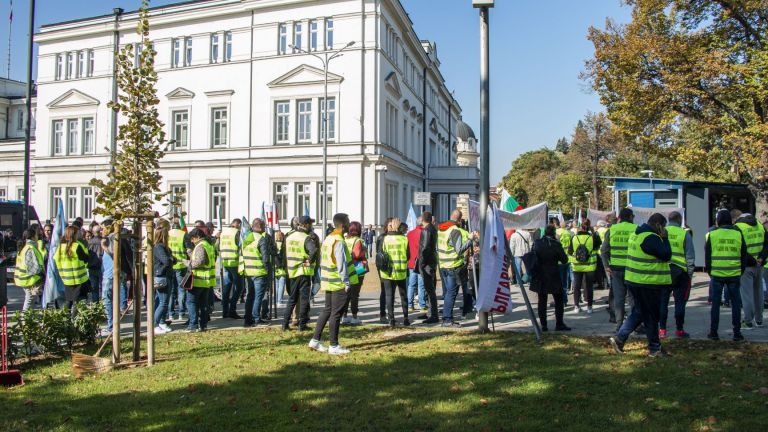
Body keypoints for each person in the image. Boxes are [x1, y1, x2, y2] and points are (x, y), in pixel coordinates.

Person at [610, 213, 672, 357]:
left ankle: (620, 338)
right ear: (658, 225)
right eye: (663, 227)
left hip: (634, 280)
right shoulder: (651, 238)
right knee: (650, 316)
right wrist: (665, 239)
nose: (664, 229)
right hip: (647, 281)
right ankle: (654, 348)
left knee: (639, 312)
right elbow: (666, 254)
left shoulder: (637, 234)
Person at [706, 209, 754, 341]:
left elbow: (708, 256)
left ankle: (714, 332)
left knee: (715, 304)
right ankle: (737, 333)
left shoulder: (713, 234)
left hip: (717, 274)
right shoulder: (738, 234)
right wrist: (740, 270)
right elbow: (744, 255)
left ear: (719, 220)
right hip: (734, 274)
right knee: (736, 304)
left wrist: (710, 272)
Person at [309, 213, 353, 355]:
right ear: (343, 225)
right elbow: (341, 264)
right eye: (348, 222)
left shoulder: (328, 238)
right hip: (337, 283)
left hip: (328, 281)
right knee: (335, 313)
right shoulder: (339, 241)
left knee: (327, 310)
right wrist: (346, 282)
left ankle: (315, 340)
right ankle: (334, 345)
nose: (349, 224)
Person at [659, 211, 695, 338]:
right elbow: (690, 256)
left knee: (663, 302)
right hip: (680, 272)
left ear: (669, 220)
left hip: (665, 271)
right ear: (679, 220)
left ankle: (662, 330)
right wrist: (689, 274)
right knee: (680, 302)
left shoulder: (662, 232)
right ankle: (679, 329)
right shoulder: (685, 234)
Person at [601, 208, 637, 329]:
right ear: (630, 217)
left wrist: (607, 266)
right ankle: (634, 325)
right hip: (631, 268)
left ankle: (619, 325)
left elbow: (604, 250)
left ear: (620, 218)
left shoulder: (612, 230)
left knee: (618, 299)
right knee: (633, 298)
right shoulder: (635, 229)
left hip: (615, 269)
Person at [437, 209, 473, 327]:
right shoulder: (455, 230)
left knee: (448, 292)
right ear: (459, 219)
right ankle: (447, 319)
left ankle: (447, 317)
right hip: (452, 265)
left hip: (443, 264)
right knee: (451, 293)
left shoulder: (441, 228)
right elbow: (459, 250)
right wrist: (470, 240)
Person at [531, 225, 571, 331]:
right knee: (559, 300)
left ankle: (543, 325)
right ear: (553, 233)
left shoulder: (537, 243)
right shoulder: (556, 244)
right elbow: (564, 260)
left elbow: (532, 256)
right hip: (553, 274)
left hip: (540, 275)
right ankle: (559, 323)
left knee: (542, 300)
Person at [283, 216, 319, 331]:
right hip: (303, 272)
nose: (311, 226)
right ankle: (302, 325)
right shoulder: (306, 238)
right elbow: (313, 251)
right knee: (304, 299)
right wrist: (308, 262)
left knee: (292, 298)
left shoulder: (289, 237)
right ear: (305, 225)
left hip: (291, 271)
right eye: (310, 224)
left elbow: (284, 253)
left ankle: (284, 324)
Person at [733, 210, 767, 329]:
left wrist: (753, 260)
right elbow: (766, 244)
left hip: (747, 266)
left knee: (747, 295)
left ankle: (748, 321)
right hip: (760, 265)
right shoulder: (759, 225)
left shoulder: (737, 227)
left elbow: (740, 248)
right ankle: (759, 320)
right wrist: (761, 258)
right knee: (759, 293)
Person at [53, 225, 90, 315]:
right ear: (74, 234)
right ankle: (77, 319)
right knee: (80, 301)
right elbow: (86, 258)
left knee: (69, 301)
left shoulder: (60, 247)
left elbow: (55, 259)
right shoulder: (76, 246)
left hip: (67, 279)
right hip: (79, 279)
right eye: (78, 233)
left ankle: (67, 319)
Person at [380, 218, 410, 327]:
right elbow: (408, 255)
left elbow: (382, 254)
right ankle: (406, 318)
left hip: (388, 272)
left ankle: (391, 319)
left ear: (391, 226)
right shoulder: (404, 239)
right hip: (401, 270)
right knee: (403, 295)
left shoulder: (386, 239)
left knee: (389, 295)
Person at [242, 218, 271, 327]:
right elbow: (265, 258)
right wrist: (268, 271)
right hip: (259, 271)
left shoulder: (246, 238)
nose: (265, 228)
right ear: (261, 227)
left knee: (250, 296)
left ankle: (248, 319)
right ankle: (256, 318)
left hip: (248, 271)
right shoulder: (261, 239)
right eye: (264, 226)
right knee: (258, 296)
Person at [186, 228, 216, 332]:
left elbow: (200, 261)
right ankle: (203, 325)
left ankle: (193, 325)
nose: (191, 241)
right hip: (206, 280)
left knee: (191, 302)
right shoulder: (208, 245)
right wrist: (190, 253)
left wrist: (188, 264)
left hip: (198, 279)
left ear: (197, 237)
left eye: (192, 239)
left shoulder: (201, 246)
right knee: (203, 304)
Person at [569, 219, 601, 313]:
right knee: (589, 286)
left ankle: (576, 306)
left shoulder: (574, 238)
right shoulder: (592, 238)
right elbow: (598, 244)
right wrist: (594, 231)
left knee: (577, 286)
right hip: (590, 265)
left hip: (577, 265)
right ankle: (589, 307)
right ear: (589, 227)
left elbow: (570, 251)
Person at [218, 219, 244, 319]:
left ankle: (225, 312)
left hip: (225, 261)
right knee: (239, 287)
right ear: (237, 224)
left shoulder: (223, 232)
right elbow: (241, 246)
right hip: (235, 262)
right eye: (240, 225)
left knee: (227, 287)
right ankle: (232, 310)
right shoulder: (237, 233)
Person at [342, 221, 367, 324]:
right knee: (355, 294)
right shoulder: (358, 240)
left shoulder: (345, 239)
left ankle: (344, 316)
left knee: (346, 294)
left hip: (346, 268)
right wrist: (364, 251)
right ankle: (354, 317)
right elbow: (357, 254)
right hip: (357, 269)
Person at [152, 227, 175, 334]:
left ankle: (161, 322)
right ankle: (155, 324)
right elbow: (166, 260)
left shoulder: (163, 247)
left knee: (164, 301)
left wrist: (171, 259)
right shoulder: (159, 247)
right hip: (162, 276)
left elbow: (172, 259)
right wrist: (171, 260)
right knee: (163, 302)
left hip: (165, 275)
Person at [15, 228, 45, 311]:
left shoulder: (24, 247)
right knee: (30, 300)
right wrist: (42, 275)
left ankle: (26, 320)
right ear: (32, 237)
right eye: (36, 235)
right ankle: (24, 320)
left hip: (24, 278)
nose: (37, 236)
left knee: (30, 299)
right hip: (29, 280)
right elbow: (33, 268)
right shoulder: (30, 248)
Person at [418, 211, 439, 324]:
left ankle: (433, 315)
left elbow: (424, 248)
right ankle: (431, 313)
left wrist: (421, 262)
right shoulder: (432, 229)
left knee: (430, 290)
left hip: (427, 263)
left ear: (422, 219)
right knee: (429, 289)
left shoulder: (426, 230)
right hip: (430, 262)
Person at [168, 222, 189, 321]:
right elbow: (188, 249)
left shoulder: (167, 233)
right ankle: (181, 313)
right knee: (181, 289)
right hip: (181, 265)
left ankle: (171, 314)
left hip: (169, 265)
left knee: (171, 290)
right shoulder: (183, 234)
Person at [406, 218, 426, 313]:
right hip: (420, 262)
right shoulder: (424, 233)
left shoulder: (409, 233)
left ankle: (409, 305)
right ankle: (422, 305)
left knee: (411, 285)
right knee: (421, 285)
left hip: (411, 262)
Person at [555, 219, 573, 307]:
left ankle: (561, 300)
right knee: (565, 282)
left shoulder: (557, 232)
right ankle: (565, 300)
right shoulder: (568, 233)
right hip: (568, 259)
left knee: (559, 282)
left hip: (559, 260)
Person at [86, 223, 103, 302]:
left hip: (92, 266)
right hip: (102, 266)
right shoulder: (103, 241)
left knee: (94, 287)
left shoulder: (89, 242)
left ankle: (95, 304)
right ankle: (103, 303)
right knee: (103, 287)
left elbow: (87, 255)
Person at [273, 231, 288, 304]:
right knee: (281, 285)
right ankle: (279, 300)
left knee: (276, 285)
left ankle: (276, 300)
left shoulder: (274, 245)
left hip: (275, 267)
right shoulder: (284, 245)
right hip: (282, 268)